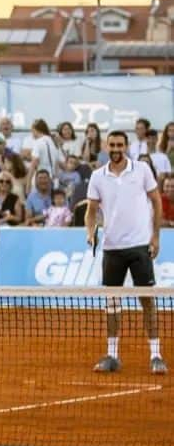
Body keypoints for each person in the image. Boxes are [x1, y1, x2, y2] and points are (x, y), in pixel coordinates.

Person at [86, 130, 165, 374]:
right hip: (112, 248)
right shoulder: (97, 176)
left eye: (120, 144)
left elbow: (156, 201)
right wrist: (90, 232)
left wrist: (155, 236)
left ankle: (155, 355)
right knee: (112, 303)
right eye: (112, 145)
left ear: (126, 146)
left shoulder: (142, 169)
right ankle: (112, 355)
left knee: (147, 302)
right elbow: (91, 210)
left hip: (140, 246)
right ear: (106, 147)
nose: (116, 148)